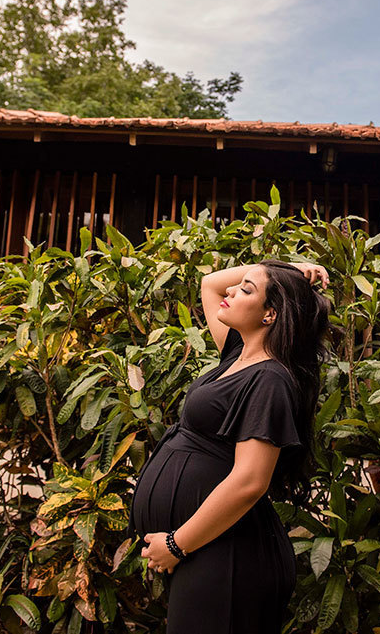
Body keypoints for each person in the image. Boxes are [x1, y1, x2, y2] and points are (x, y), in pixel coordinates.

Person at [127, 259, 332, 633]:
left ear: (269, 314)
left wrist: (176, 545)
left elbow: (250, 481)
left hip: (231, 554)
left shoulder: (270, 379)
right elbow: (210, 283)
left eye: (247, 290)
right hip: (208, 549)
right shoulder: (238, 354)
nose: (233, 290)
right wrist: (286, 266)